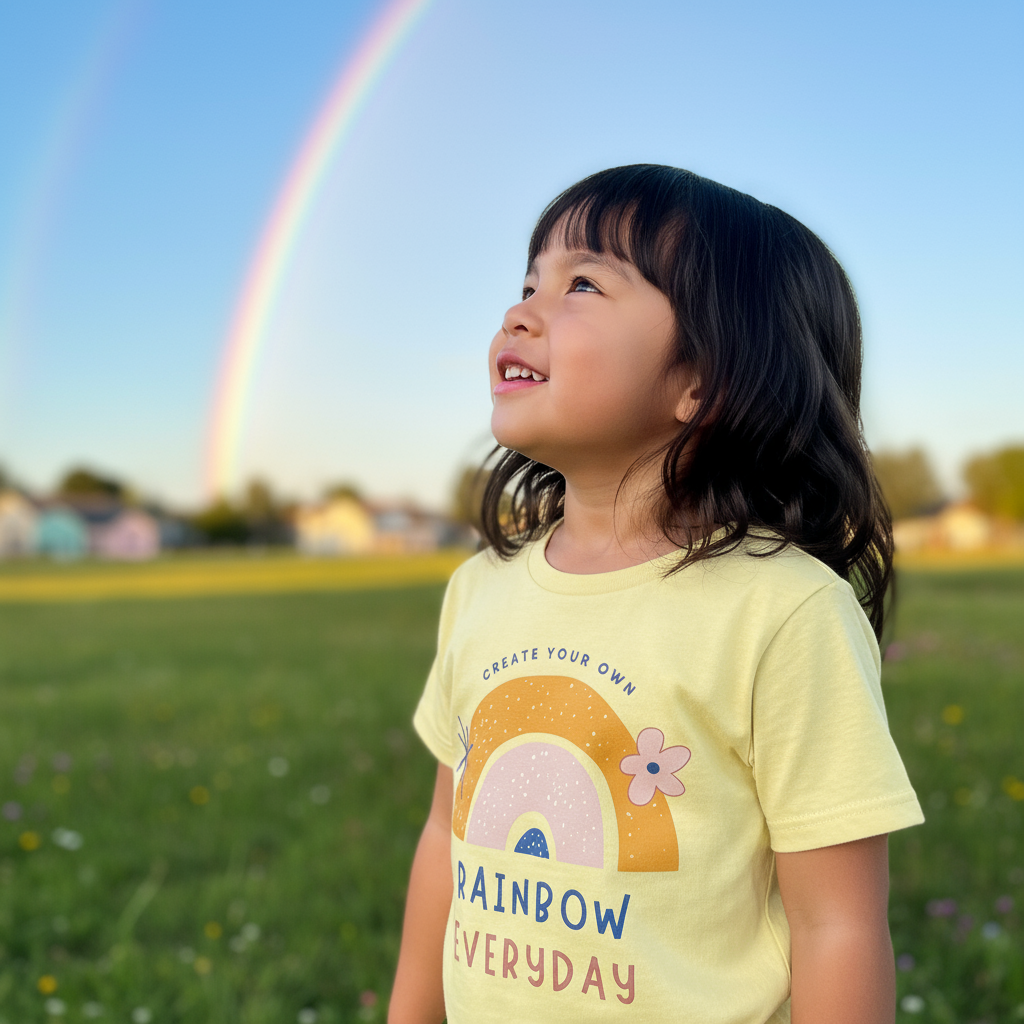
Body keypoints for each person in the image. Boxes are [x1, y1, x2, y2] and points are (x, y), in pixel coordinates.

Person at [388, 164, 923, 1023]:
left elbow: (839, 923)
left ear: (701, 382)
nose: (519, 311)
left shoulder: (781, 611)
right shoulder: (479, 589)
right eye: (529, 282)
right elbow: (445, 837)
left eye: (583, 284)